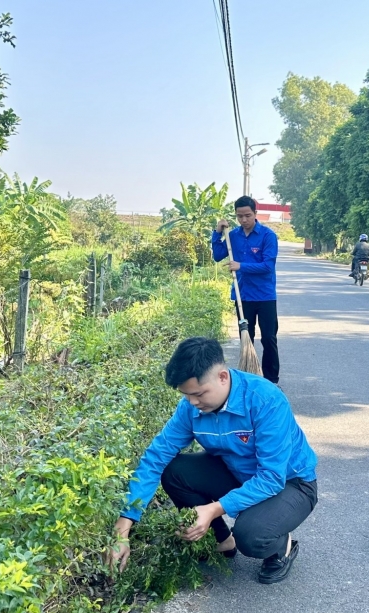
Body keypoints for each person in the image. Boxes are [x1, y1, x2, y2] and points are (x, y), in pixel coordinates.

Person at [106, 337, 318, 584]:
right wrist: (123, 526)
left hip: (290, 484)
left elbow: (271, 477)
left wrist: (213, 508)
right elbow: (156, 457)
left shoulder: (265, 400)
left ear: (222, 377)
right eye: (186, 395)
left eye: (198, 394)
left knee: (251, 535)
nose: (192, 403)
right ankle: (222, 541)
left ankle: (281, 547)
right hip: (237, 472)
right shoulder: (191, 407)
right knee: (175, 471)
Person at [212, 196, 281, 385]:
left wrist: (240, 266)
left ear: (255, 214)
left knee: (268, 338)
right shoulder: (233, 235)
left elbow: (267, 266)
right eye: (239, 216)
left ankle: (271, 380)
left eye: (247, 215)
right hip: (243, 296)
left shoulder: (268, 236)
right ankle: (249, 377)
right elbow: (218, 256)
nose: (244, 220)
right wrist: (217, 233)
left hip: (265, 296)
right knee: (246, 338)